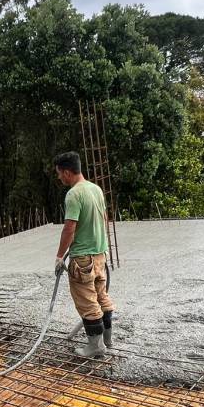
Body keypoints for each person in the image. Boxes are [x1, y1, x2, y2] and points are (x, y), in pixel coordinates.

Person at [53, 151, 116, 358]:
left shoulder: (74, 194)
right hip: (99, 255)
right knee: (102, 297)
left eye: (60, 173)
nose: (59, 177)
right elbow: (104, 218)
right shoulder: (95, 189)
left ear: (68, 172)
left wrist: (60, 256)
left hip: (82, 259)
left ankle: (96, 347)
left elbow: (69, 228)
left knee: (88, 303)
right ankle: (107, 340)